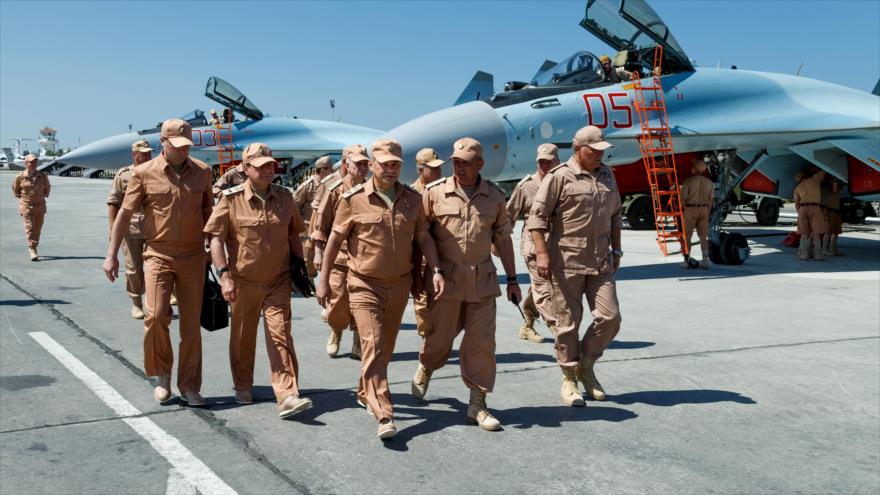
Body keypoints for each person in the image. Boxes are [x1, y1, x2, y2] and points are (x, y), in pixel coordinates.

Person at [316, 138, 444, 440]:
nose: (390, 169)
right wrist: (323, 279)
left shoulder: (413, 199)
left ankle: (365, 390)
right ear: (372, 165)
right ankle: (384, 412)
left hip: (399, 285)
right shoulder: (352, 198)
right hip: (363, 285)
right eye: (384, 164)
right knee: (372, 344)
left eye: (395, 164)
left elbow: (423, 238)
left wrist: (436, 269)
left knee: (384, 348)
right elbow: (334, 240)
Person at [102, 118, 213, 406]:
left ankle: (189, 385)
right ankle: (162, 376)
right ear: (162, 142)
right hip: (158, 255)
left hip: (192, 257)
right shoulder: (143, 173)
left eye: (187, 146)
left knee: (191, 327)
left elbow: (210, 215)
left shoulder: (203, 172)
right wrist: (111, 253)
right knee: (155, 317)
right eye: (177, 146)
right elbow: (125, 214)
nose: (183, 150)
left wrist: (216, 250)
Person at [412, 137, 520, 432]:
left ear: (480, 164)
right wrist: (433, 269)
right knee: (439, 339)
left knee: (481, 344)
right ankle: (427, 365)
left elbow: (503, 239)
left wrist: (512, 279)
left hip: (483, 283)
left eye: (465, 162)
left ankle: (478, 403)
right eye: (455, 162)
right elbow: (423, 234)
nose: (458, 167)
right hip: (446, 282)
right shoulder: (434, 194)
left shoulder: (496, 197)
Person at [204, 143, 313, 418]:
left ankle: (288, 393)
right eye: (261, 166)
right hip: (243, 282)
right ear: (245, 168)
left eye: (270, 165)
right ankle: (243, 385)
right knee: (243, 336)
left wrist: (301, 271)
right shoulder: (230, 199)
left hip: (278, 281)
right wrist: (225, 275)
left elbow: (293, 236)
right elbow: (216, 239)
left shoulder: (285, 198)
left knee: (281, 336)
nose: (268, 170)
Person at [527, 125, 623, 407]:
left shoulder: (608, 175)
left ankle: (586, 365)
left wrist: (616, 248)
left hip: (601, 261)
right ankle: (570, 378)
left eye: (602, 152)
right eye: (594, 152)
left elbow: (616, 215)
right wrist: (542, 254)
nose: (599, 157)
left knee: (610, 318)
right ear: (578, 148)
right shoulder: (559, 177)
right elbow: (537, 219)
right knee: (567, 325)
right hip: (566, 262)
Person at [311, 146, 370, 358]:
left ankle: (358, 340)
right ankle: (336, 330)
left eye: (366, 164)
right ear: (347, 165)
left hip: (363, 259)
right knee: (338, 302)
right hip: (339, 257)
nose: (364, 168)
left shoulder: (371, 189)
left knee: (361, 303)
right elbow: (320, 226)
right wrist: (318, 253)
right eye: (358, 164)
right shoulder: (335, 189)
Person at [505, 143, 559, 343]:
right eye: (541, 162)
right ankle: (558, 331)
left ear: (557, 161)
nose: (544, 166)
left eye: (548, 162)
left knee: (543, 288)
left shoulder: (563, 182)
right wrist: (498, 241)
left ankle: (527, 325)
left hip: (558, 247)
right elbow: (508, 216)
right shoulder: (526, 186)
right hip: (533, 249)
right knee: (544, 289)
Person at [107, 140, 153, 319]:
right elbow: (113, 203)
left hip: (155, 228)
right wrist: (113, 231)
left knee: (158, 266)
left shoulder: (157, 172)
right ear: (134, 155)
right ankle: (136, 303)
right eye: (144, 153)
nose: (148, 156)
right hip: (131, 228)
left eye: (149, 153)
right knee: (134, 268)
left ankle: (155, 301)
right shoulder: (123, 176)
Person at [410, 148, 445, 338]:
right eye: (433, 169)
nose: (438, 172)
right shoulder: (410, 194)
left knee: (440, 305)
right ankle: (427, 343)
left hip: (439, 257)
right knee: (422, 305)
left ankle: (434, 343)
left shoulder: (444, 191)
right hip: (418, 257)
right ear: (420, 170)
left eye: (439, 168)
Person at [293, 156, 334, 278]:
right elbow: (294, 206)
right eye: (330, 170)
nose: (332, 172)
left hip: (324, 228)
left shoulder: (329, 184)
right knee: (308, 260)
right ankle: (307, 282)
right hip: (308, 230)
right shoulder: (307, 186)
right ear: (323, 171)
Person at [12, 154, 50, 261]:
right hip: (26, 206)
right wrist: (23, 199)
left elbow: (47, 188)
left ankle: (34, 246)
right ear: (26, 163)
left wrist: (42, 196)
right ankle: (32, 249)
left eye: (35, 162)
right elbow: (16, 189)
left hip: (40, 206)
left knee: (38, 228)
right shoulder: (20, 177)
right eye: (31, 162)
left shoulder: (43, 176)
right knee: (30, 228)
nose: (34, 164)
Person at [680, 158, 714, 269]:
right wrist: (707, 212)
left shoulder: (688, 181)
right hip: (704, 210)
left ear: (695, 169)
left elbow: (682, 200)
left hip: (691, 209)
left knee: (687, 237)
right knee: (703, 237)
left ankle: (686, 261)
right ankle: (705, 261)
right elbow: (710, 200)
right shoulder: (709, 183)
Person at [793, 169, 827, 261]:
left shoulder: (797, 188)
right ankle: (818, 255)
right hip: (815, 207)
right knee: (816, 233)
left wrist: (799, 214)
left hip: (802, 209)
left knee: (804, 233)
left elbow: (797, 203)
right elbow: (823, 170)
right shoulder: (815, 180)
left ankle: (803, 255)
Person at [822, 177, 844, 256]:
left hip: (836, 211)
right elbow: (834, 190)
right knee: (828, 232)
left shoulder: (836, 188)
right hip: (829, 211)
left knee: (836, 232)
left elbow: (837, 189)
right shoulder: (827, 188)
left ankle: (833, 249)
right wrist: (834, 181)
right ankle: (825, 249)